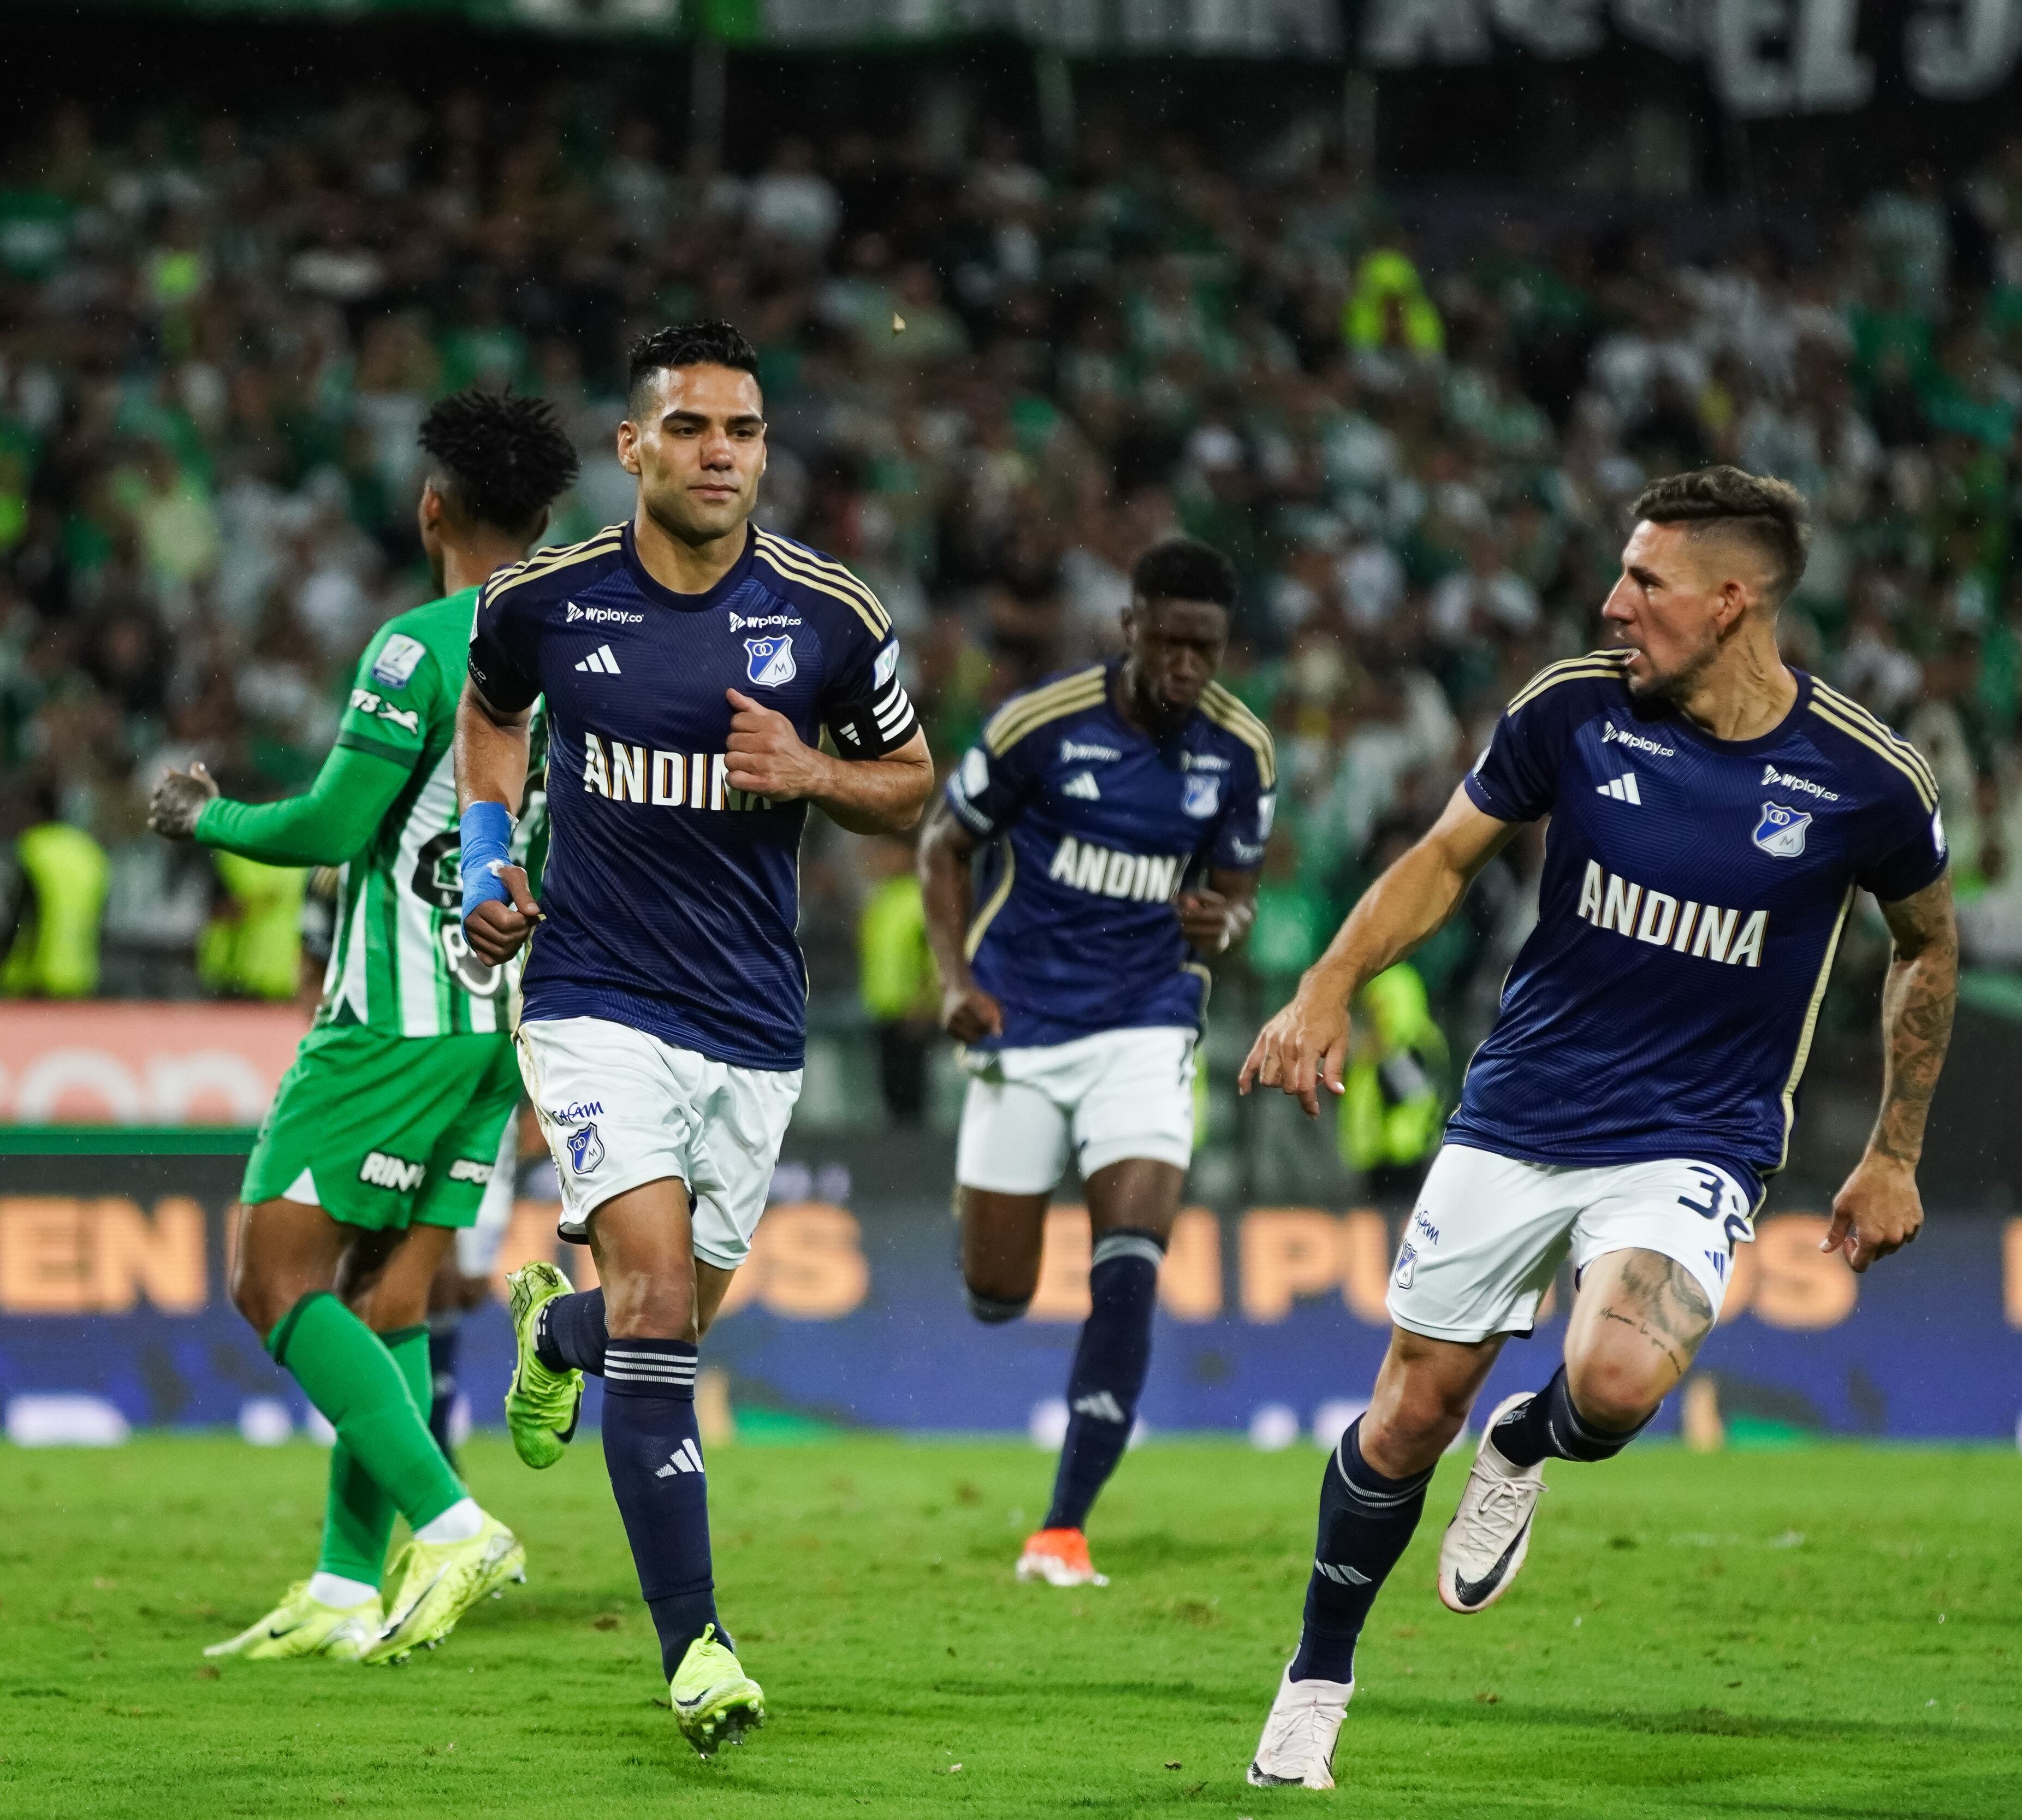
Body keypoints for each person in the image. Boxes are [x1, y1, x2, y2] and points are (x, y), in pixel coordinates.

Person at [1237, 467, 1956, 1790]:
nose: (1612, 602)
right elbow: (1447, 854)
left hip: (1693, 1132)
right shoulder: (1571, 708)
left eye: (1646, 582)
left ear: (1731, 601)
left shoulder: (1862, 775)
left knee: (1620, 1381)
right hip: (1518, 1112)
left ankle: (1528, 1440)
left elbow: (1925, 942)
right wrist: (1326, 984)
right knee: (1406, 1419)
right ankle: (1316, 1679)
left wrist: (1894, 1145)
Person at [456, 321, 933, 1754]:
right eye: (692, 429)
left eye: (744, 431)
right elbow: (491, 725)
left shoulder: (831, 615)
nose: (720, 453)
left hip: (753, 1024)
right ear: (634, 447)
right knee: (663, 1306)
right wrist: (491, 864)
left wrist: (816, 770)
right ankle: (697, 1645)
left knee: (663, 1321)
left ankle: (560, 1330)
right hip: (596, 996)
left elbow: (912, 786)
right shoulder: (542, 601)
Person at [151, 389, 578, 1665]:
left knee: (269, 1278)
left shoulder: (421, 644)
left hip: (392, 1016)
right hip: (495, 1027)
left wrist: (205, 817)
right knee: (382, 1302)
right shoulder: (573, 649)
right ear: (546, 518)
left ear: (430, 506)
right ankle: (344, 1583)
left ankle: (447, 1521)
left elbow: (335, 829)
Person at [915, 534, 1271, 1589]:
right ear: (1131, 626)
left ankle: (1063, 1527)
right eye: (1171, 642)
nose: (1188, 668)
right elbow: (944, 841)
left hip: (1148, 1023)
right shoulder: (1042, 725)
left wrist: (1227, 924)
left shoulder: (1240, 751)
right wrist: (950, 979)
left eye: (1207, 648)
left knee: (1131, 1263)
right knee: (996, 1289)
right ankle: (998, 1219)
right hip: (1022, 1020)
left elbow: (1237, 896)